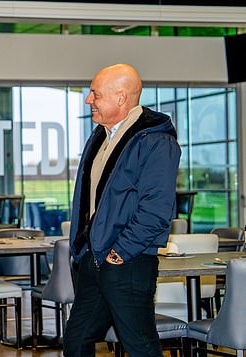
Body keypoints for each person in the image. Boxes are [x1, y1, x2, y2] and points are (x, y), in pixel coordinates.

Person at [63, 64, 181, 357]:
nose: (89, 100)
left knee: (140, 347)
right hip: (94, 258)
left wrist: (120, 253)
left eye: (95, 94)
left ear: (121, 98)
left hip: (127, 261)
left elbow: (156, 210)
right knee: (76, 342)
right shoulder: (102, 136)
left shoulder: (155, 139)